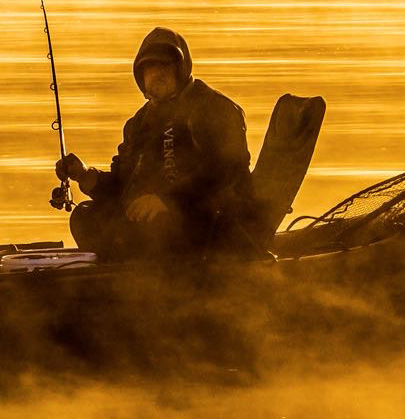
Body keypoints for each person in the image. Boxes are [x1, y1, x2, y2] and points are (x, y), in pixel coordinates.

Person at [55, 27, 260, 261]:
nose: (157, 74)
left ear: (181, 69)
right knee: (85, 216)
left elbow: (227, 171)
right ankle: (125, 272)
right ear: (140, 75)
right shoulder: (139, 123)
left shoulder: (215, 108)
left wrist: (168, 200)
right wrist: (85, 176)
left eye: (165, 66)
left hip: (210, 224)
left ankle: (149, 270)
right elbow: (123, 184)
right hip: (154, 229)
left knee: (156, 228)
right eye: (150, 68)